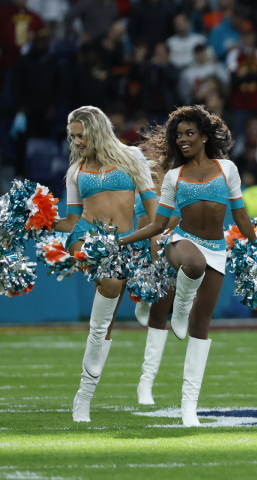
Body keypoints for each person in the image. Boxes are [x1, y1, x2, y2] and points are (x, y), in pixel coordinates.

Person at [119, 105, 257, 426]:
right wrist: (121, 241)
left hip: (217, 250)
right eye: (178, 135)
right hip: (180, 242)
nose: (183, 139)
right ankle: (178, 312)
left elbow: (240, 216)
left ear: (204, 137)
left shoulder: (227, 169)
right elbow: (158, 224)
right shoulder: (173, 177)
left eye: (189, 133)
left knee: (201, 325)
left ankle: (188, 406)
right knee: (192, 266)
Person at [52, 106, 158, 423]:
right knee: (110, 282)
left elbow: (153, 212)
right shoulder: (76, 171)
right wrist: (39, 220)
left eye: (80, 136)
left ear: (97, 131)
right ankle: (84, 397)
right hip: (87, 237)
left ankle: (83, 395)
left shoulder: (133, 158)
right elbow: (71, 220)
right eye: (72, 137)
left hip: (125, 242)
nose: (76, 142)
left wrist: (155, 252)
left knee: (106, 322)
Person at [132, 142, 181, 406]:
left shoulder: (179, 176)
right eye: (144, 152)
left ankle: (146, 383)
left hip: (169, 247)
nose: (150, 157)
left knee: (160, 315)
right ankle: (143, 293)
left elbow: (177, 218)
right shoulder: (140, 175)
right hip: (141, 249)